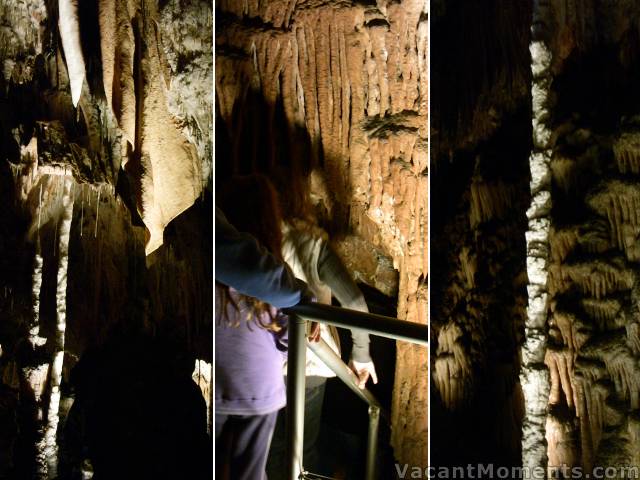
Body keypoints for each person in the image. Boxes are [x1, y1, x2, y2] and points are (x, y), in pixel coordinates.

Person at [266, 219, 378, 478]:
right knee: (302, 447)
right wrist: (361, 354)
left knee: (272, 447)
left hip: (265, 363)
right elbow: (354, 301)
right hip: (310, 363)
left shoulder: (247, 235)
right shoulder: (310, 243)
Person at [216, 175, 303, 480]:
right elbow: (288, 337)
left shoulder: (215, 272)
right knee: (250, 473)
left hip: (216, 390)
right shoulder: (275, 278)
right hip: (260, 390)